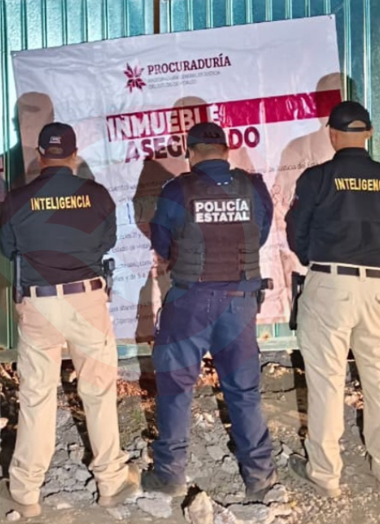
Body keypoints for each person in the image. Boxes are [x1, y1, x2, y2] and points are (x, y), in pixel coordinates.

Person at [0, 122, 139, 517]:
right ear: (74, 155)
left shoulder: (17, 198)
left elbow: (7, 248)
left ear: (40, 155)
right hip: (87, 300)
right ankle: (110, 482)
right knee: (98, 390)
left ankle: (25, 492)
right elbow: (108, 241)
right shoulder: (97, 195)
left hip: (39, 304)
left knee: (37, 395)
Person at [142, 122, 277, 501]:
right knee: (244, 390)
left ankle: (170, 474)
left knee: (175, 387)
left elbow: (161, 241)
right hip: (239, 300)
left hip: (190, 301)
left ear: (191, 153)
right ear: (227, 151)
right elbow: (261, 234)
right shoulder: (253, 187)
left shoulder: (177, 189)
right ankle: (259, 477)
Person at [284, 101, 380, 497]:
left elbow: (297, 232)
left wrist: (317, 258)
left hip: (330, 283)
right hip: (378, 285)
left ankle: (326, 474)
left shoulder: (317, 178)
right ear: (369, 133)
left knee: (326, 380)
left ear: (333, 134)